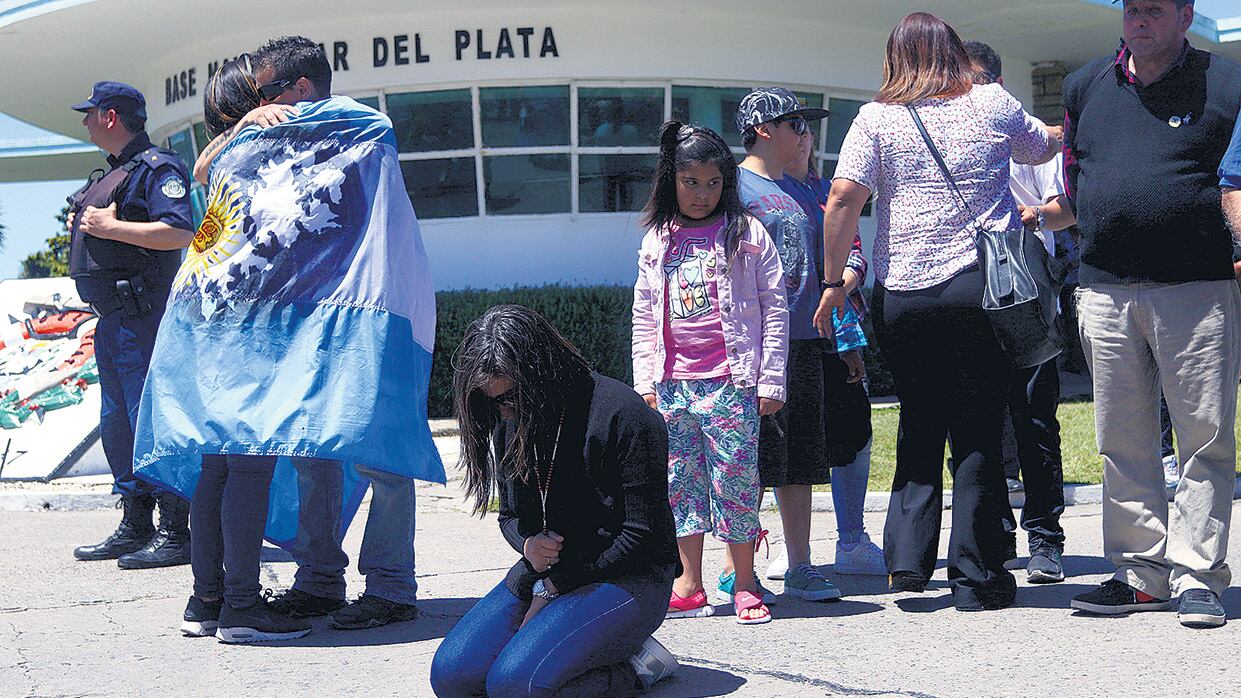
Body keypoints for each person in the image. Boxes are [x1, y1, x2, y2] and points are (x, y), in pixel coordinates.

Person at [133, 37, 444, 641]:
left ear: (301, 89)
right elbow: (205, 170)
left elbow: (373, 128)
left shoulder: (355, 125)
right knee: (306, 448)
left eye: (270, 92)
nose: (264, 104)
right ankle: (318, 579)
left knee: (376, 448)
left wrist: (281, 120)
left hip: (357, 313)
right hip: (291, 322)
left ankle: (388, 587)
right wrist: (247, 123)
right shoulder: (256, 140)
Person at [814, 12, 1060, 612]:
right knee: (979, 426)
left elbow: (844, 196)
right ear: (952, 52)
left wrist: (831, 281)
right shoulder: (992, 102)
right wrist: (1067, 128)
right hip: (981, 290)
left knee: (919, 417)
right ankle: (977, 576)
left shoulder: (875, 118)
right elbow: (1041, 145)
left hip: (904, 293)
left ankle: (907, 565)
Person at [1063, 0, 1241, 629]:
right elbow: (1075, 178)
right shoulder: (1085, 84)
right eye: (1132, 10)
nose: (1140, 21)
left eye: (1155, 10)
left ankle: (1198, 576)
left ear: (1186, 15)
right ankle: (1140, 573)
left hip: (1197, 287)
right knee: (1121, 438)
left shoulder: (1227, 82)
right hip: (1105, 287)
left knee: (1205, 438)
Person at [430, 305, 681, 697]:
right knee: (452, 677)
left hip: (630, 576)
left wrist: (553, 588)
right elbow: (510, 515)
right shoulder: (510, 418)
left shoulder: (624, 414)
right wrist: (528, 547)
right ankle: (578, 653)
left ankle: (635, 667)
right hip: (547, 571)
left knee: (516, 686)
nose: (502, 410)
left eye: (510, 397)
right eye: (489, 401)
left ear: (541, 374)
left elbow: (643, 536)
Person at [631, 121, 788, 625]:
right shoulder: (659, 237)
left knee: (737, 483)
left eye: (714, 182)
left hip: (733, 385)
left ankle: (744, 583)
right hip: (672, 387)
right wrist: (645, 382)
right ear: (669, 180)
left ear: (728, 182)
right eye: (691, 182)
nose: (703, 193)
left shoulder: (746, 232)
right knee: (681, 485)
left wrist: (770, 379)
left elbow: (775, 308)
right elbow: (643, 312)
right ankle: (689, 582)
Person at [66, 81, 195, 569]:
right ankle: (136, 522)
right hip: (114, 319)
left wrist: (111, 228)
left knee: (148, 420)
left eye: (90, 113)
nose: (85, 122)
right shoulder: (117, 173)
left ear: (112, 116)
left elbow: (180, 230)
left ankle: (174, 528)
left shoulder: (157, 169)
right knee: (118, 424)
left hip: (142, 315)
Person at [965, 39, 1076, 584]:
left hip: (1026, 289)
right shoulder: (938, 129)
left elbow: (1064, 210)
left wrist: (1024, 217)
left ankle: (1046, 538)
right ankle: (992, 535)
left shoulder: (1027, 132)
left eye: (975, 84)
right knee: (978, 419)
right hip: (965, 290)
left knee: (1033, 415)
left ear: (998, 85)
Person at [733, 86, 850, 603]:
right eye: (796, 124)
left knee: (800, 456)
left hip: (804, 340)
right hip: (755, 346)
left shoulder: (803, 189)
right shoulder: (734, 187)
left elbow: (836, 259)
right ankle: (741, 570)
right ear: (764, 129)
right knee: (751, 459)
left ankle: (800, 563)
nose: (806, 134)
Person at [772, 126, 885, 577]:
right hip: (786, 340)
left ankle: (852, 540)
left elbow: (857, 256)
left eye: (807, 132)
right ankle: (793, 548)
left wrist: (835, 292)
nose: (802, 139)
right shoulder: (758, 194)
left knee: (852, 433)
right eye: (792, 129)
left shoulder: (831, 192)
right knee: (789, 443)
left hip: (839, 334)